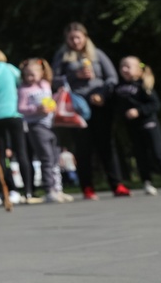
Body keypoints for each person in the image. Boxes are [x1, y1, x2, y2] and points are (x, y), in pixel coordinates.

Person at [52, 23, 129, 200]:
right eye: (71, 38)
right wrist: (74, 76)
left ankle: (117, 184)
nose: (75, 41)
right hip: (77, 108)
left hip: (100, 105)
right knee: (83, 147)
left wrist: (102, 94)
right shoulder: (63, 57)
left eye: (78, 37)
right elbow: (54, 80)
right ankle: (87, 186)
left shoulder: (98, 55)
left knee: (106, 145)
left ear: (85, 37)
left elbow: (112, 78)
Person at [113, 57, 161, 196]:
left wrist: (139, 111)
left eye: (128, 66)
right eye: (122, 67)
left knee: (158, 153)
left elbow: (155, 104)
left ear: (139, 70)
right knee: (140, 155)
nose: (124, 69)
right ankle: (147, 182)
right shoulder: (118, 88)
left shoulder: (144, 85)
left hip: (149, 124)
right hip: (132, 127)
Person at [0, 48, 37, 204]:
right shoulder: (11, 69)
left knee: (1, 156)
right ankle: (29, 191)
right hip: (14, 114)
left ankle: (9, 190)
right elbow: (21, 85)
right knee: (21, 153)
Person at [18, 58, 72, 203]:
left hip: (51, 125)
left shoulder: (45, 85)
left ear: (41, 73)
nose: (30, 78)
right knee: (46, 158)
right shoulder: (24, 90)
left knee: (55, 158)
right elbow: (21, 108)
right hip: (36, 126)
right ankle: (49, 190)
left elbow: (51, 99)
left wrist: (57, 98)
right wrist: (36, 109)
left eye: (32, 74)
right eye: (27, 75)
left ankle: (58, 189)